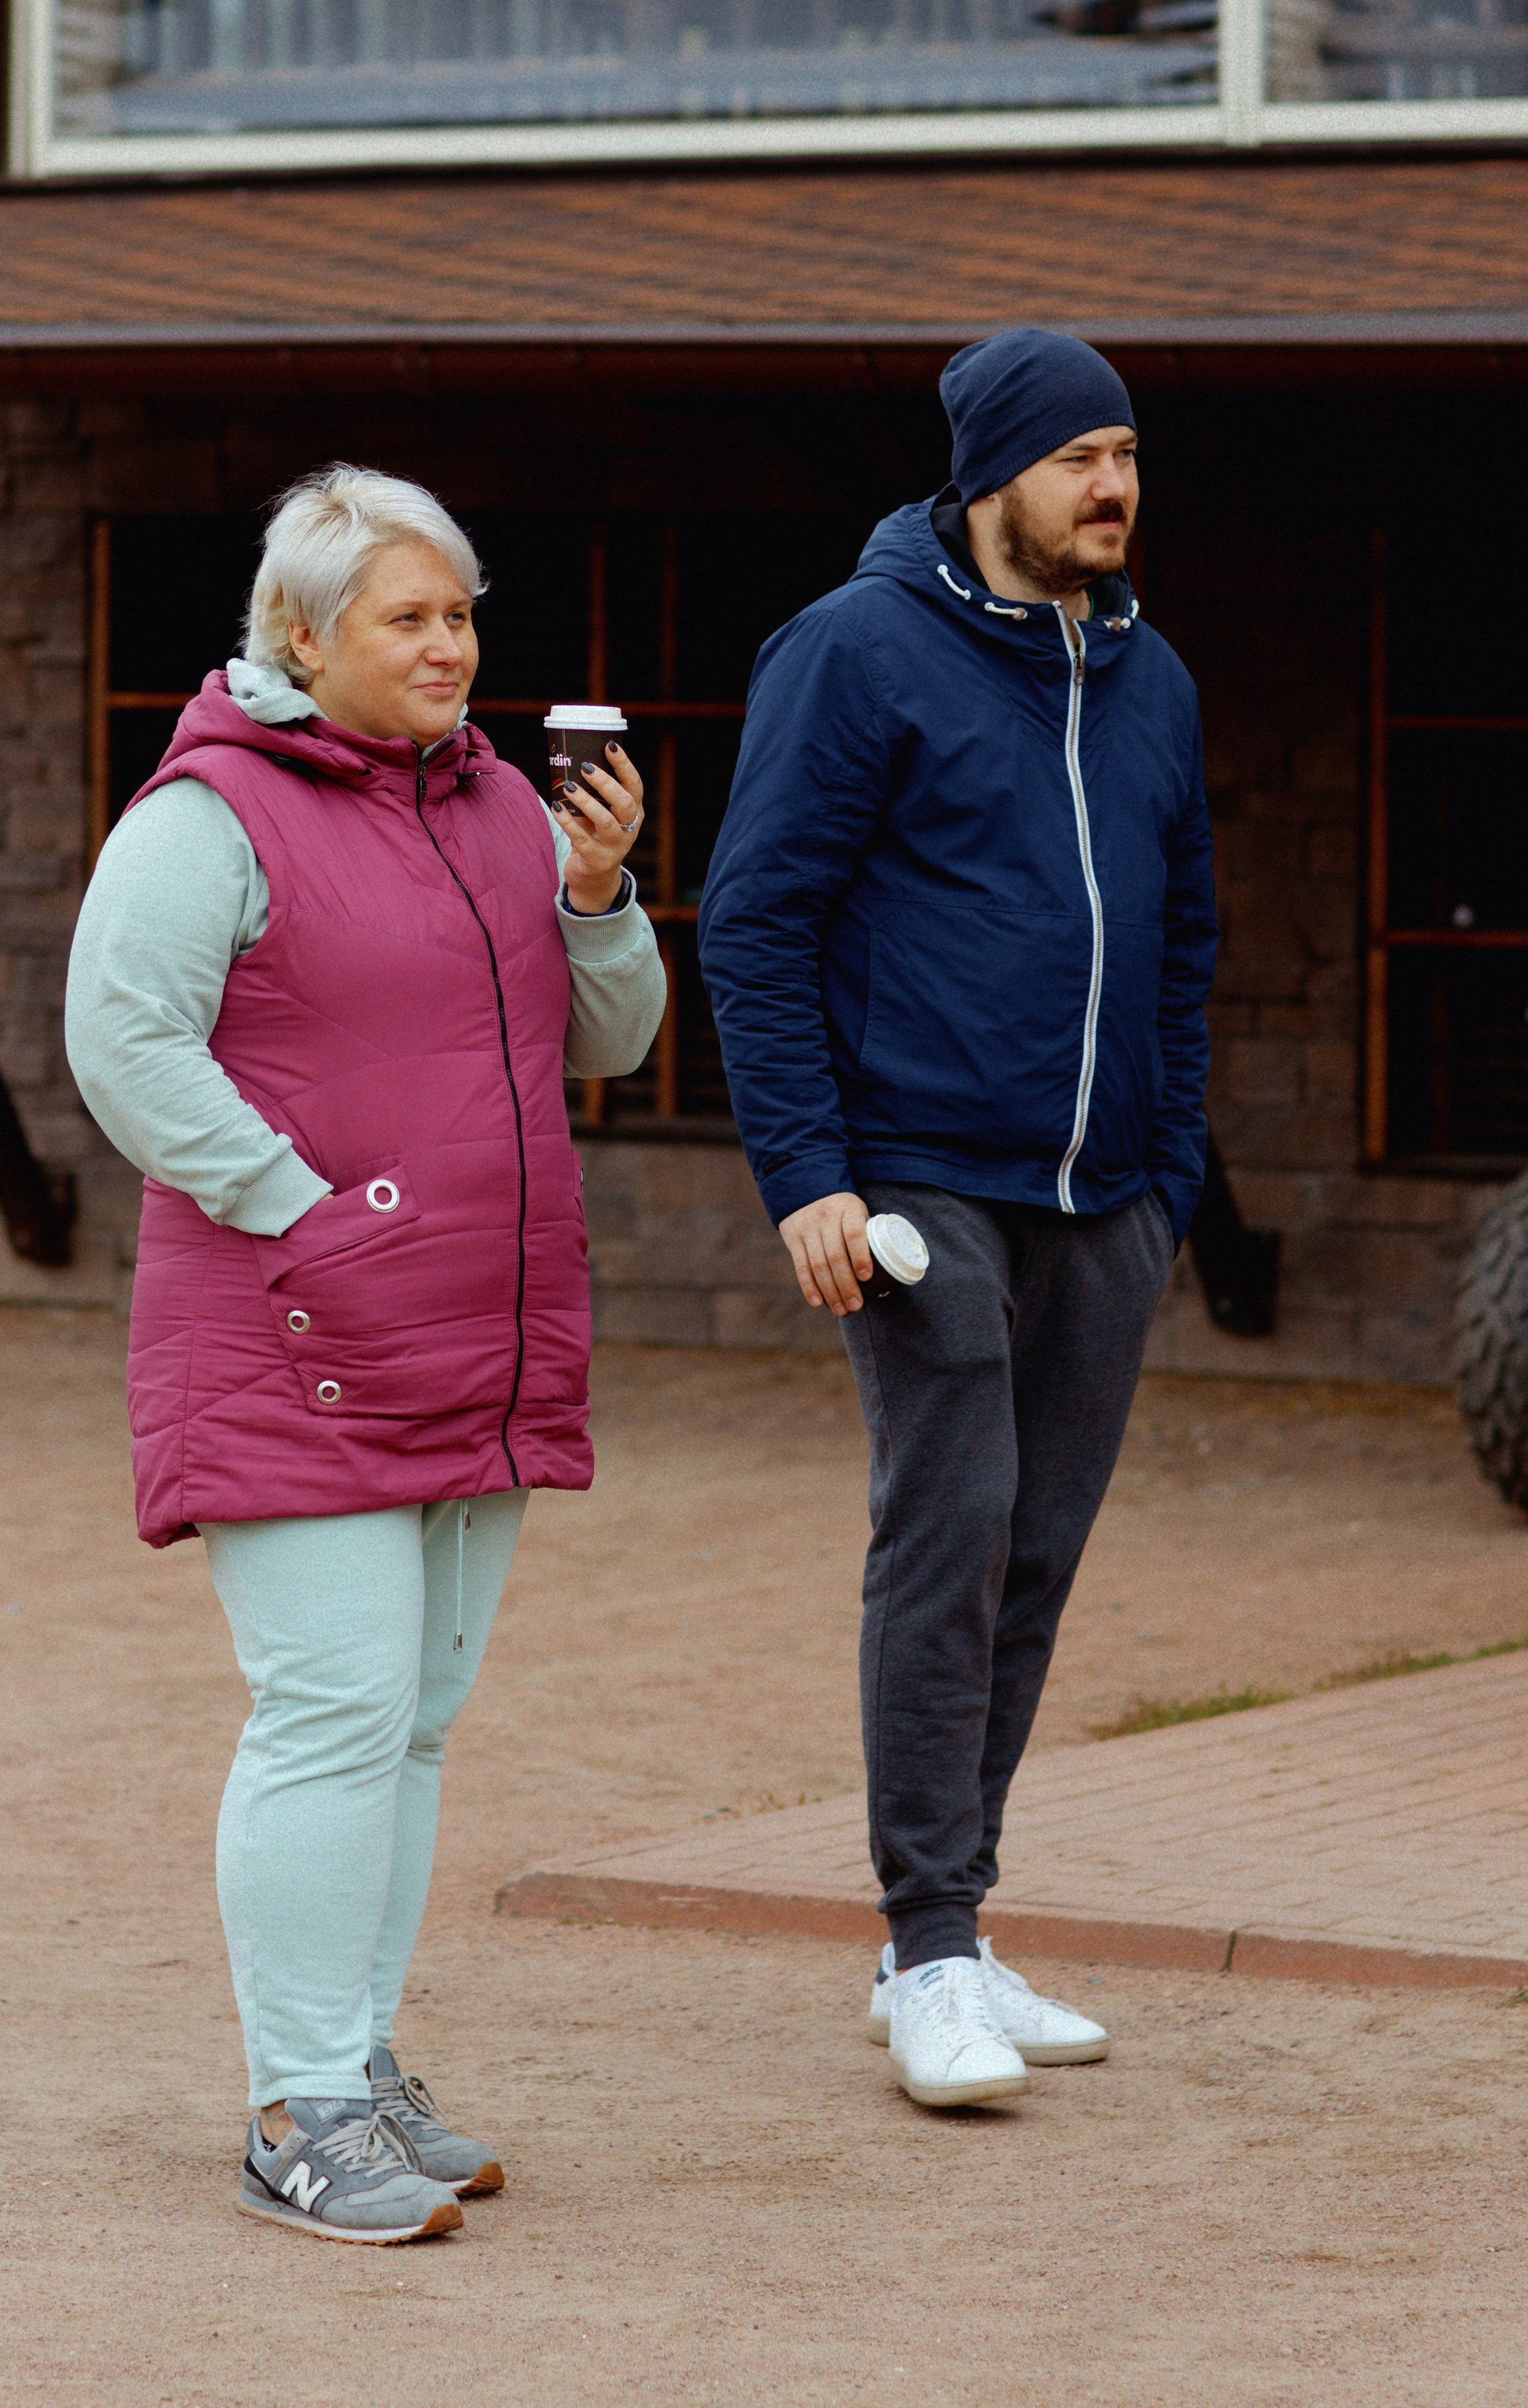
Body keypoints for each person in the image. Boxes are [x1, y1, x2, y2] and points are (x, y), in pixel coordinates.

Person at [66, 466, 665, 2238]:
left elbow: (612, 1042)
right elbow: (122, 1038)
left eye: (459, 614)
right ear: (299, 634)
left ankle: (357, 2059)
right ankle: (297, 2104)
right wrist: (299, 1206)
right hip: (286, 1335)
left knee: (409, 1724)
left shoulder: (496, 808)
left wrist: (599, 887)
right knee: (331, 1711)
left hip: (472, 1340)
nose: (447, 646)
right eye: (406, 617)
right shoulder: (209, 814)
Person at [698, 328, 1215, 2111]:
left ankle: (954, 1922)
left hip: (1101, 1198)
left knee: (1033, 1557)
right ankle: (923, 1955)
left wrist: (1170, 1177)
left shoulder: (1149, 681)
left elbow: (1184, 942)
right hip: (917, 1181)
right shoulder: (853, 653)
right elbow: (753, 923)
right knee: (950, 1536)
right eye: (1078, 456)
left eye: (1127, 455)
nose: (1112, 487)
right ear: (992, 474)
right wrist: (806, 1179)